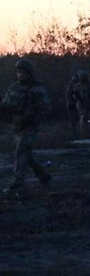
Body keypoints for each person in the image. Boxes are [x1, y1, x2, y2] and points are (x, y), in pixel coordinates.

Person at [1, 58, 52, 193]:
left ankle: (18, 183)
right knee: (25, 154)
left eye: (23, 72)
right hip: (17, 125)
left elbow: (46, 107)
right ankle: (43, 175)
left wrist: (32, 116)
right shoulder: (14, 87)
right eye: (18, 72)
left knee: (21, 152)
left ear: (30, 73)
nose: (21, 75)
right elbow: (6, 104)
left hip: (30, 126)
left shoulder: (36, 88)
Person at [71, 70, 90, 138]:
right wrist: (81, 100)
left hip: (86, 102)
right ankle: (83, 133)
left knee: (88, 118)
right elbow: (75, 95)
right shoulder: (78, 86)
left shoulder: (87, 85)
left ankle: (88, 132)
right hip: (81, 103)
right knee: (83, 117)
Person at [65, 72, 80, 136]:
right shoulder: (71, 85)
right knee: (73, 119)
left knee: (76, 119)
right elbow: (68, 95)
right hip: (72, 104)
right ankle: (74, 132)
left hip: (76, 104)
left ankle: (77, 132)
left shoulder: (76, 84)